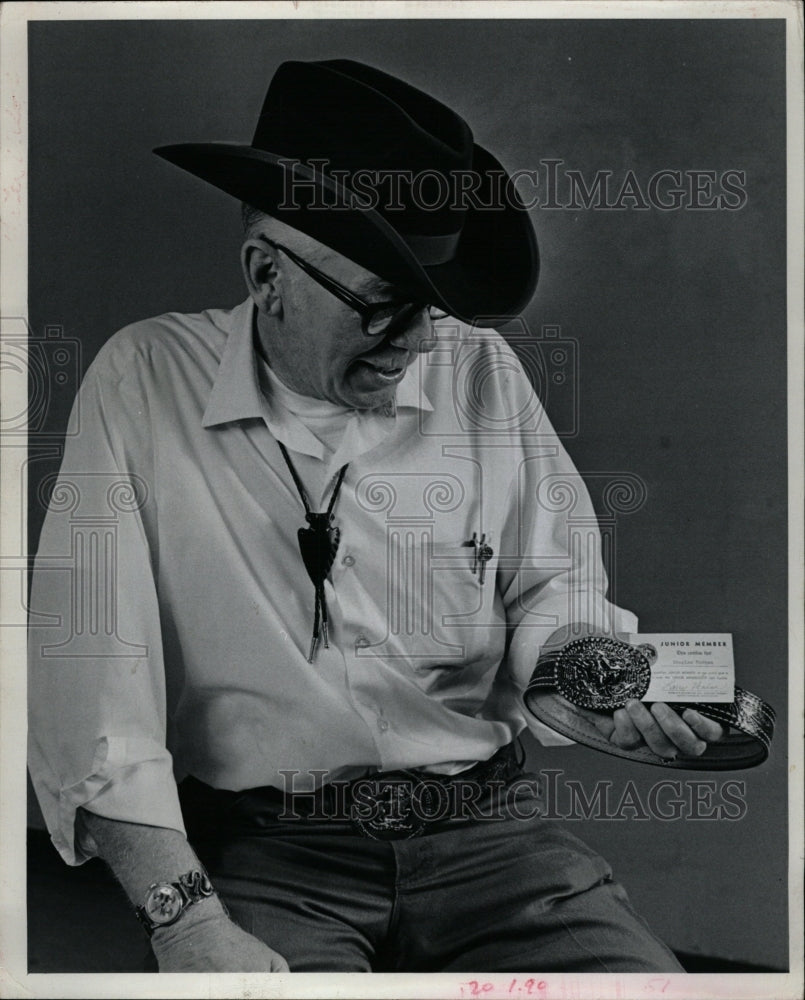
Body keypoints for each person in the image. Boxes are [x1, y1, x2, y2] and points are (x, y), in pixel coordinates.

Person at [28, 58, 723, 974]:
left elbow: (552, 591)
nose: (423, 343)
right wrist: (186, 922)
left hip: (495, 843)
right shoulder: (143, 382)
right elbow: (93, 689)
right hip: (273, 855)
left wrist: (594, 688)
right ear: (266, 272)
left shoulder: (480, 375)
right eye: (388, 306)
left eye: (433, 305)